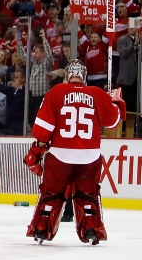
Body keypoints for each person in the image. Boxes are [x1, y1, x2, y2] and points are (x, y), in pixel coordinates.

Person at [24, 60, 124, 244]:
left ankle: (41, 227)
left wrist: (39, 148)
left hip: (60, 154)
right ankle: (92, 228)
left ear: (67, 75)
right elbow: (113, 122)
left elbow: (42, 129)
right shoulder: (96, 93)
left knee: (51, 193)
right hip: (89, 155)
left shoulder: (56, 92)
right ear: (84, 76)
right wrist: (114, 102)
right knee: (88, 194)